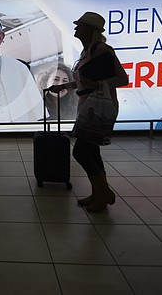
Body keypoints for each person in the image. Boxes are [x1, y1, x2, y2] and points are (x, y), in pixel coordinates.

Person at [50, 12, 128, 212]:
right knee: (91, 151)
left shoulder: (102, 50)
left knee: (81, 151)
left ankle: (105, 193)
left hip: (100, 108)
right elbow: (85, 81)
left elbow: (122, 79)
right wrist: (66, 85)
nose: (75, 29)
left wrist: (98, 84)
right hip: (89, 106)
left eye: (80, 26)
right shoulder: (88, 51)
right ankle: (98, 193)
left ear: (89, 30)